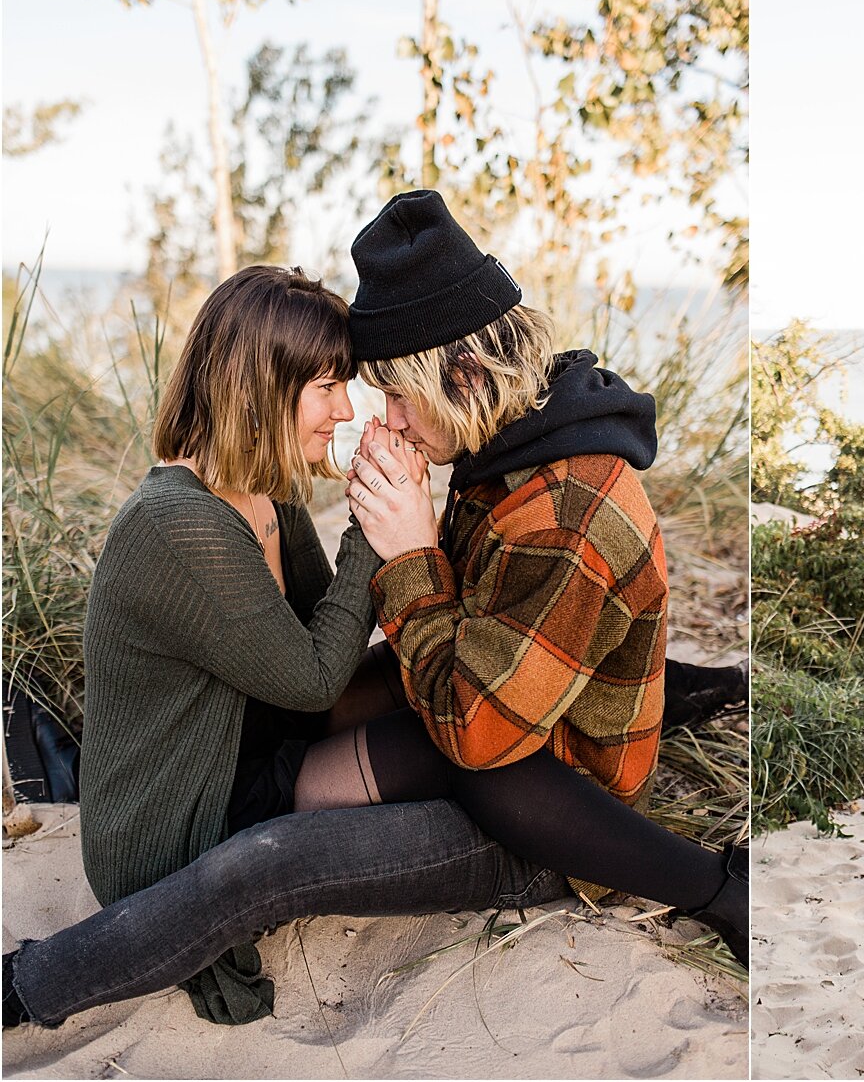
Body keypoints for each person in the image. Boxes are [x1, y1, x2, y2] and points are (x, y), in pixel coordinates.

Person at [3, 199, 745, 1031]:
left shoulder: (566, 510)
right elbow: (380, 663)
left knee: (274, 856)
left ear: (460, 378)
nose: (375, 417)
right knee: (326, 744)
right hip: (483, 721)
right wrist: (393, 544)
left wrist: (405, 551)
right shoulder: (502, 447)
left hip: (553, 813)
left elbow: (477, 734)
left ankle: (21, 988)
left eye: (392, 394)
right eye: (352, 389)